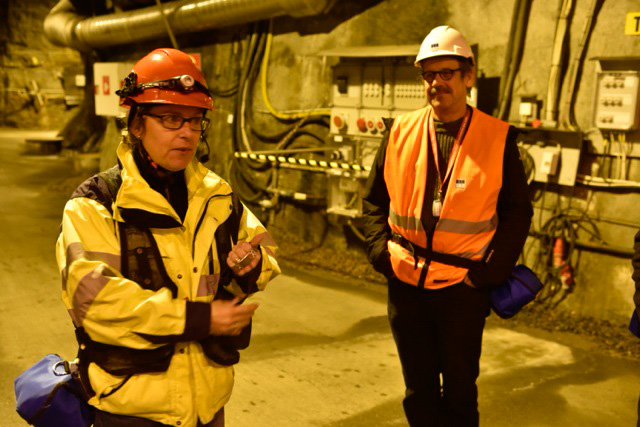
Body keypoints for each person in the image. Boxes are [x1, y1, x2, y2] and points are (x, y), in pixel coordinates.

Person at [56, 48, 280, 427]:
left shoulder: (218, 195)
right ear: (137, 125)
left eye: (195, 121)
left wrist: (253, 265)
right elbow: (96, 303)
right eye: (171, 119)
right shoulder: (95, 204)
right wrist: (199, 318)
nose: (187, 133)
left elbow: (267, 248)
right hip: (132, 408)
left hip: (208, 404)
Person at [362, 26, 533, 426]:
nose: (436, 83)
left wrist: (489, 275)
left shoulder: (497, 139)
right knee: (418, 390)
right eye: (428, 75)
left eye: (446, 73)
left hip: (462, 288)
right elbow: (373, 200)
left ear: (468, 76)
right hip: (406, 282)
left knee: (459, 391)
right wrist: (380, 254)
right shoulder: (399, 132)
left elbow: (517, 213)